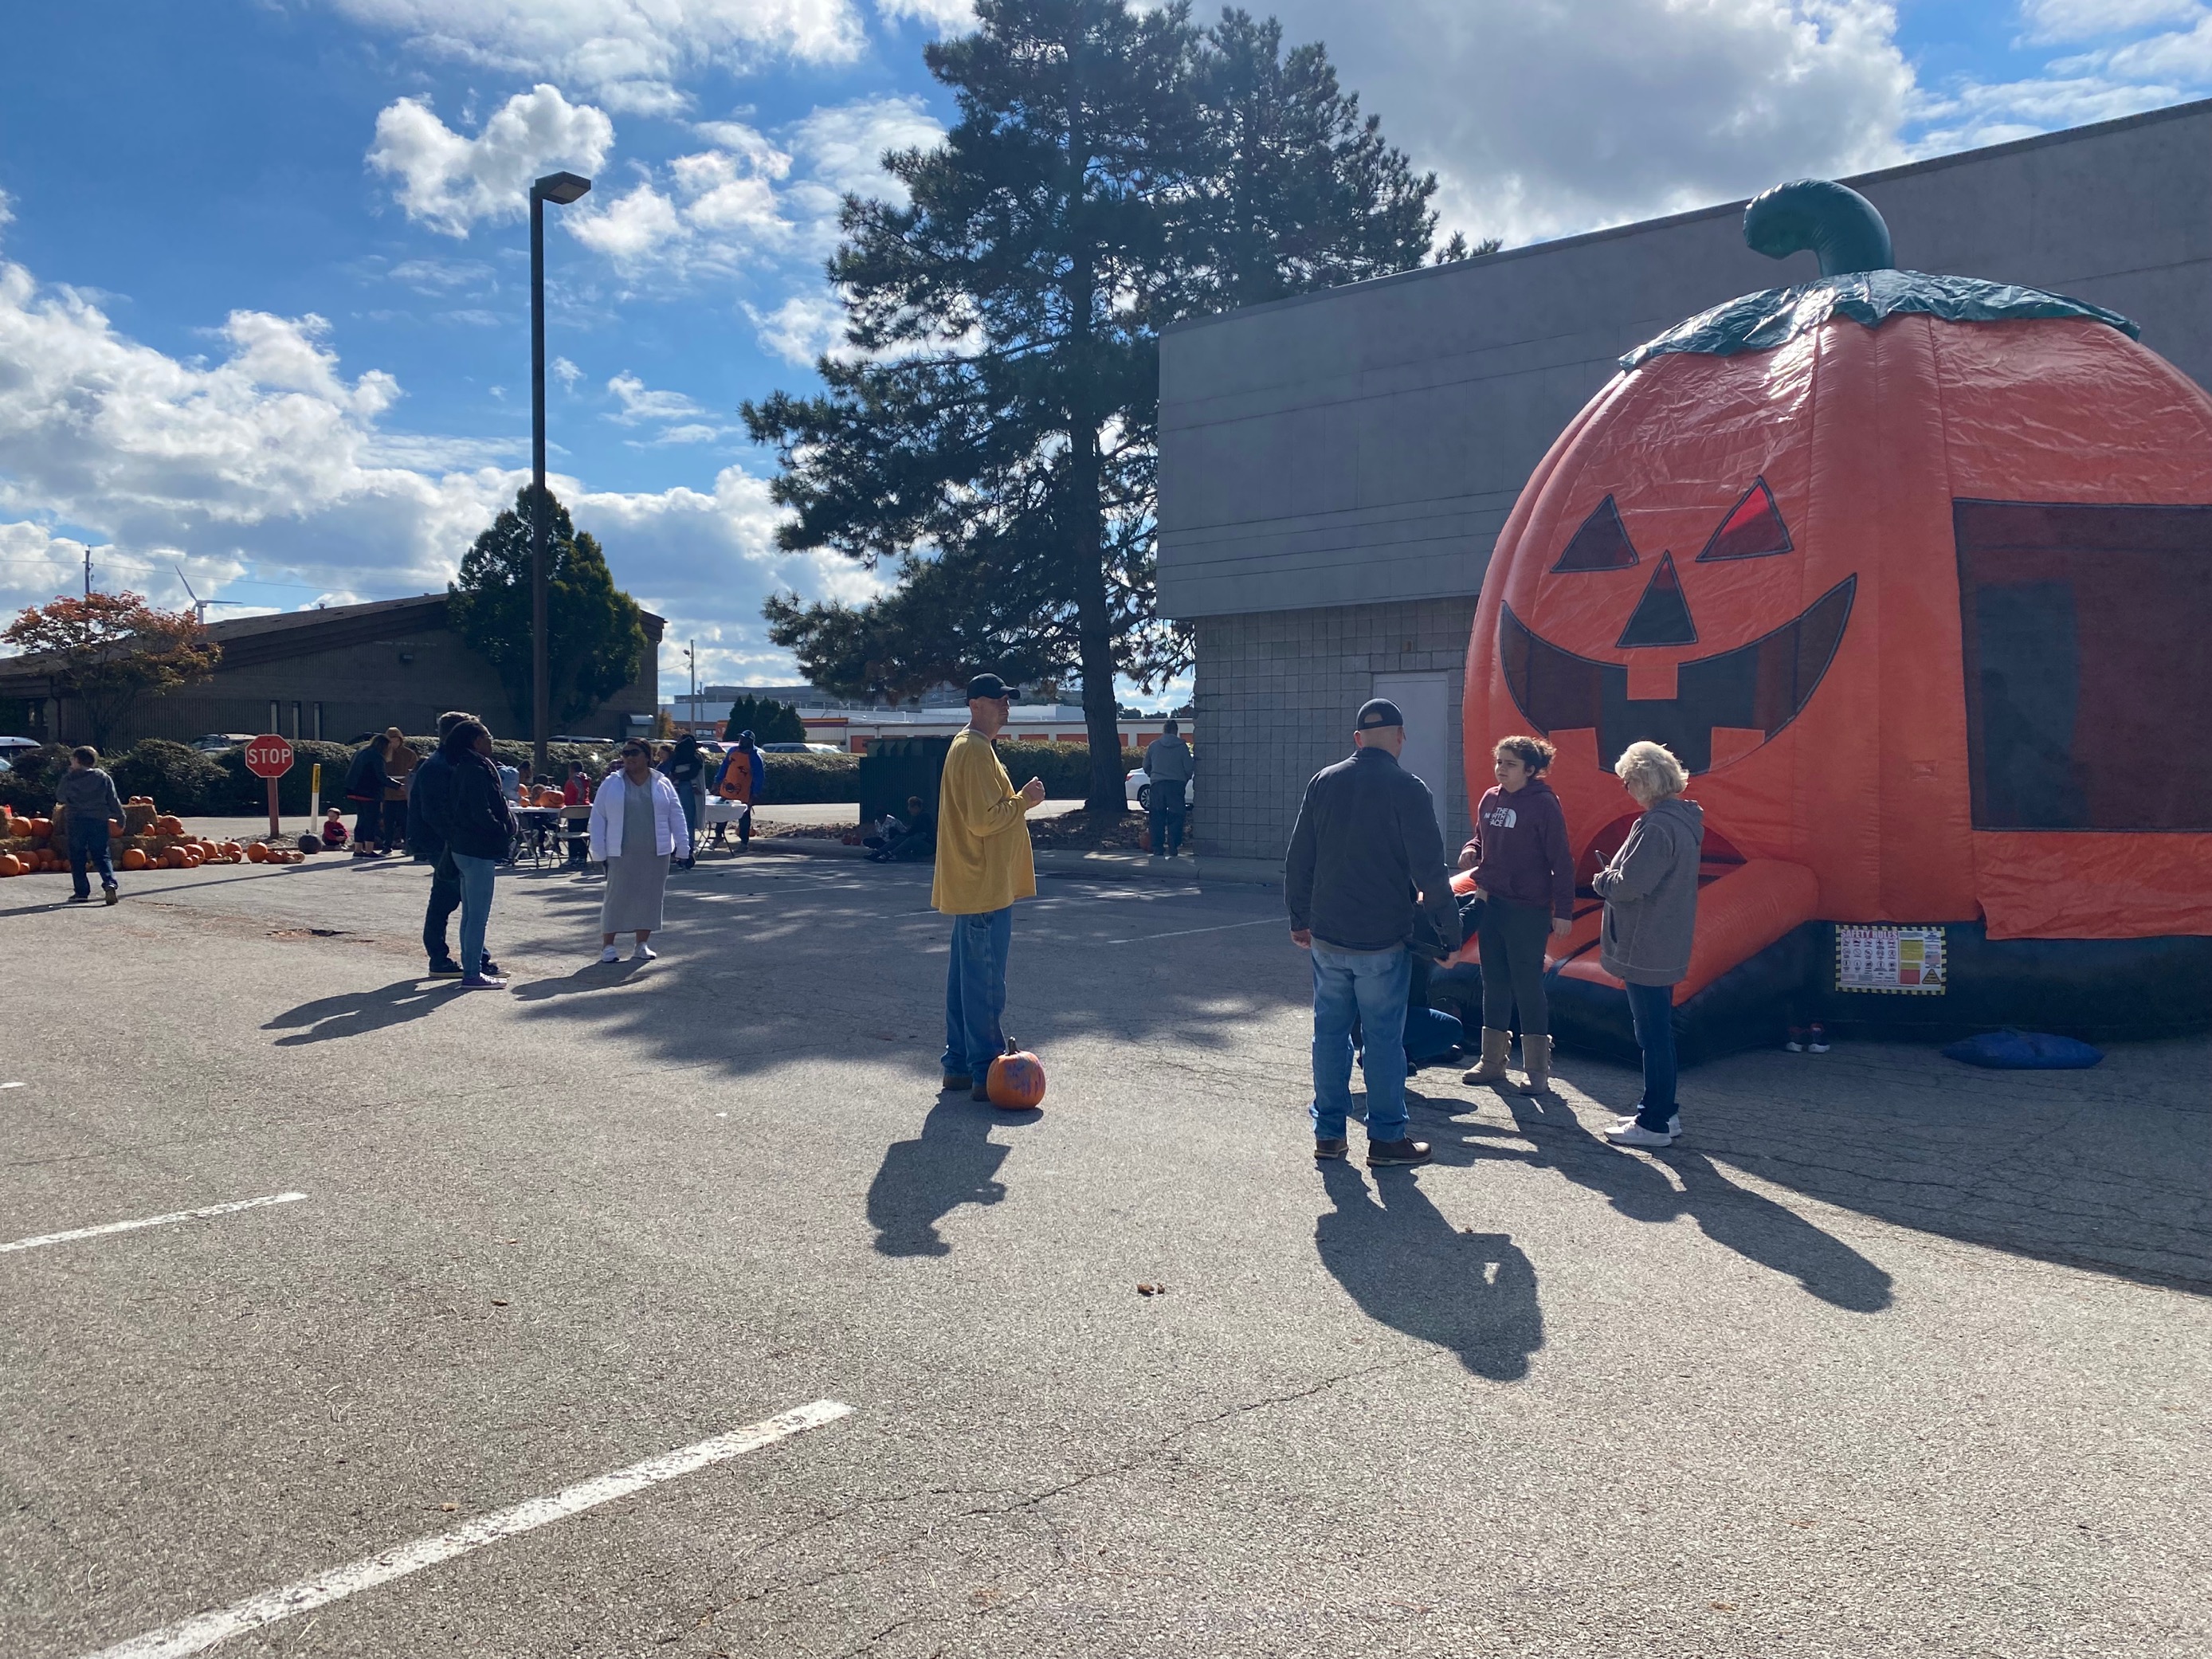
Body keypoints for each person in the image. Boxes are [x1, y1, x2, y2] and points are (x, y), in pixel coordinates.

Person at [1284, 697, 1457, 1167]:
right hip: (1383, 938)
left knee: (1329, 1033)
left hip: (1328, 934)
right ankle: (1385, 1140)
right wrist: (1449, 936)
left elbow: (1300, 857)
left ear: (1357, 740)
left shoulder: (1324, 781)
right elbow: (1430, 872)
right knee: (1383, 1039)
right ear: (1400, 738)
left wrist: (1299, 918)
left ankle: (1329, 1135)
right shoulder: (1409, 788)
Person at [934, 673, 1048, 1099]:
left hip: (976, 884)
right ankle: (986, 1072)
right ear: (973, 704)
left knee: (966, 981)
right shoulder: (975, 751)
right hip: (983, 885)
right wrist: (1024, 801)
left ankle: (960, 1065)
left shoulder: (971, 748)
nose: (1005, 706)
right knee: (984, 982)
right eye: (997, 700)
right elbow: (985, 820)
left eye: (1007, 700)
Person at [1594, 740, 1704, 1147]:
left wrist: (1603, 878)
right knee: (1657, 1032)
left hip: (1646, 943)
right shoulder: (1684, 820)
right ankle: (1663, 1111)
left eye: (1627, 782)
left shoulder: (1655, 825)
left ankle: (1654, 1120)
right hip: (1666, 938)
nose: (1626, 790)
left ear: (1641, 780)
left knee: (1652, 1035)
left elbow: (1631, 885)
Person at [1458, 735, 1576, 1093]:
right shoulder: (1490, 798)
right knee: (1493, 981)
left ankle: (1537, 1069)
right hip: (1490, 902)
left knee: (1527, 985)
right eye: (1499, 762)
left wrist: (1564, 911)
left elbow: (1561, 860)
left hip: (1529, 908)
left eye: (1510, 764)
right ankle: (1492, 1061)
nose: (1501, 770)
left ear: (1531, 768)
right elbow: (1481, 839)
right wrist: (1470, 849)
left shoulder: (1544, 804)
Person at [406, 710, 500, 979]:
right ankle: (462, 958)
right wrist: (458, 839)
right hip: (443, 843)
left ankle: (451, 957)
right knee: (457, 899)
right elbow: (435, 812)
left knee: (451, 898)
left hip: (447, 842)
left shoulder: (448, 761)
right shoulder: (440, 765)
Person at [428, 718, 512, 990]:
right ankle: (473, 974)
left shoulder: (461, 766)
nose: (491, 743)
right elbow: (480, 811)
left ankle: (471, 968)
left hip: (464, 848)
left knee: (470, 914)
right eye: (488, 738)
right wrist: (502, 830)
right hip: (476, 849)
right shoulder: (474, 769)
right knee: (477, 915)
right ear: (476, 741)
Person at [590, 739, 691, 961]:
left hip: (656, 851)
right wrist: (598, 851)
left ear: (647, 756)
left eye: (634, 753)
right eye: (625, 754)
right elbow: (597, 818)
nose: (628, 758)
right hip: (621, 851)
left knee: (650, 897)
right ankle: (608, 946)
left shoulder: (662, 783)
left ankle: (642, 944)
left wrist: (683, 847)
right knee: (617, 897)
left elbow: (677, 815)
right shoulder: (611, 783)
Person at [57, 745, 124, 905]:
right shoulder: (102, 777)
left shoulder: (70, 778)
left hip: (76, 821)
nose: (70, 763)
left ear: (78, 761)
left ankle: (81, 892)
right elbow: (113, 799)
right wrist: (121, 817)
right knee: (101, 854)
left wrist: (68, 778)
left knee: (77, 856)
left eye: (72, 760)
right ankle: (109, 883)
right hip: (99, 820)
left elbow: (60, 796)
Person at [1143, 720, 1194, 858]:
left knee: (1157, 816)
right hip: (1176, 785)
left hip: (1157, 785)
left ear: (1164, 730)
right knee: (1177, 816)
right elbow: (1189, 768)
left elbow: (1146, 766)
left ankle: (1158, 847)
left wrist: (1153, 776)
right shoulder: (1182, 746)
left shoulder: (1154, 746)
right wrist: (1184, 779)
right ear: (1176, 731)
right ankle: (1173, 845)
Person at [342, 732, 398, 856]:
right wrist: (398, 786)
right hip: (369, 792)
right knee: (371, 821)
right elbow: (382, 777)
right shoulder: (377, 756)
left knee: (361, 820)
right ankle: (368, 850)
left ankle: (358, 850)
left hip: (354, 790)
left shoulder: (361, 751)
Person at [661, 732, 707, 869]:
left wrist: (677, 776)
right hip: (684, 789)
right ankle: (685, 849)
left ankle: (686, 850)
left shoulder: (692, 757)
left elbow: (692, 773)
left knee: (686, 821)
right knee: (685, 821)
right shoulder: (692, 756)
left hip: (686, 789)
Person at [381, 727, 415, 853]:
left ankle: (407, 845)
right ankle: (387, 845)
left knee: (405, 821)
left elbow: (413, 771)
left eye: (396, 741)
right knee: (388, 821)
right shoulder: (383, 753)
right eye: (391, 741)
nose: (394, 744)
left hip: (403, 793)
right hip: (388, 793)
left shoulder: (409, 754)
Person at [561, 760, 594, 865]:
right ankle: (582, 857)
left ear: (571, 769)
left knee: (572, 834)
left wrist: (578, 801)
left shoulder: (573, 780)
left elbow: (579, 791)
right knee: (582, 834)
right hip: (585, 809)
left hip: (573, 808)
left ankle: (573, 856)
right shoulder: (586, 779)